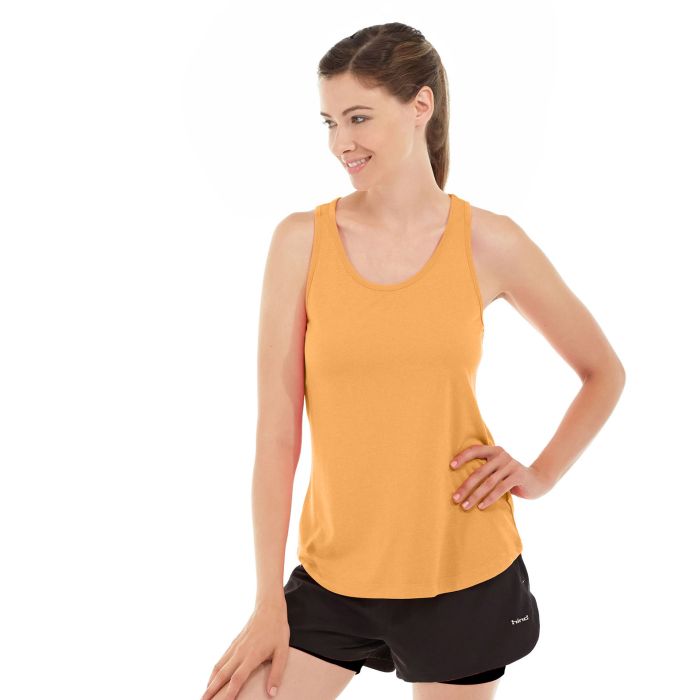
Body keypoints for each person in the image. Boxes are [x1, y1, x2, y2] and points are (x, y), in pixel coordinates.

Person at [200, 22, 625, 700]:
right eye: (330, 122)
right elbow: (277, 434)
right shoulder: (301, 242)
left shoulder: (491, 242)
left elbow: (603, 372)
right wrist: (266, 601)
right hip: (334, 578)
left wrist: (539, 474)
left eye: (358, 117)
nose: (341, 142)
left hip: (461, 573)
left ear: (420, 105)